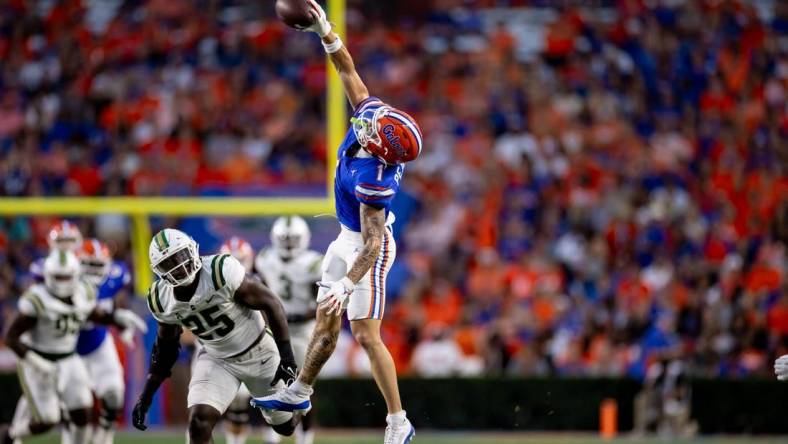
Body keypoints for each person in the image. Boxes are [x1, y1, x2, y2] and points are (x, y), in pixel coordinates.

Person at [253, 2, 422, 443]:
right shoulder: (375, 124)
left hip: (371, 248)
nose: (364, 123)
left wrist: (349, 282)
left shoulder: (375, 181)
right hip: (347, 240)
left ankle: (398, 422)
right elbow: (348, 72)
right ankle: (299, 392)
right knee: (325, 319)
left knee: (365, 335)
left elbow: (371, 244)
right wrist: (326, 30)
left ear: (383, 151)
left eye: (372, 129)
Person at [130, 229, 300, 444]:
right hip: (216, 358)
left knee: (285, 426)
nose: (179, 267)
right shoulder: (160, 298)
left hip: (258, 351)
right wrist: (146, 395)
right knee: (198, 423)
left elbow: (271, 303)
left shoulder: (220, 270)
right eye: (169, 263)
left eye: (181, 256)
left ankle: (302, 391)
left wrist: (287, 358)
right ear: (159, 271)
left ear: (192, 249)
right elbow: (165, 348)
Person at [1, 250, 147, 444]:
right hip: (38, 359)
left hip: (69, 357)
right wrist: (37, 362)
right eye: (58, 277)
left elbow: (91, 313)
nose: (63, 282)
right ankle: (9, 434)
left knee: (81, 411)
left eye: (67, 276)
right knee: (48, 419)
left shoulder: (83, 291)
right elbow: (10, 337)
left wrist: (116, 317)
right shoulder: (36, 299)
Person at [255, 216, 323, 444]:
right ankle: (273, 434)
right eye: (285, 239)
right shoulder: (265, 258)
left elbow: (322, 304)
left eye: (293, 239)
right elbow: (260, 292)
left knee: (303, 386)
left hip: (304, 330)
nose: (289, 244)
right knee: (271, 383)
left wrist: (299, 314)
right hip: (276, 329)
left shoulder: (314, 263)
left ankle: (306, 438)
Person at [69, 239, 133, 444]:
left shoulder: (114, 277)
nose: (94, 271)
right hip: (68, 351)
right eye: (90, 264)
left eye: (99, 265)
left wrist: (122, 326)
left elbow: (115, 301)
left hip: (99, 344)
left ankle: (105, 435)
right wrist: (117, 320)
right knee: (76, 409)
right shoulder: (65, 281)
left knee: (114, 395)